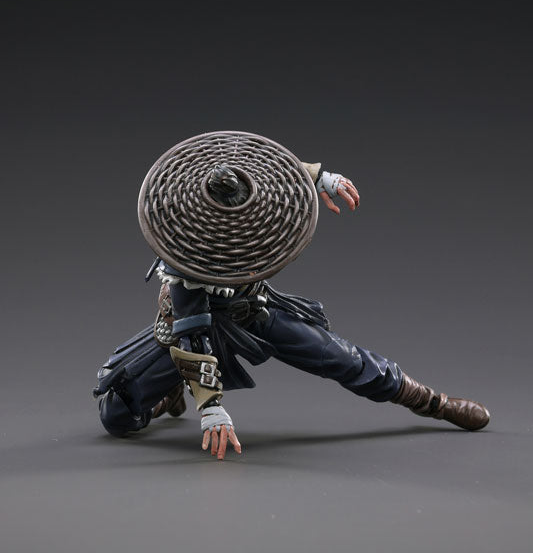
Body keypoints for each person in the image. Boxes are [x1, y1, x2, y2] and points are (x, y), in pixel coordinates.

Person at [94, 132, 489, 460]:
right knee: (116, 416)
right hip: (191, 327)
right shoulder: (185, 248)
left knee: (342, 358)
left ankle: (432, 402)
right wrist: (211, 406)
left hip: (253, 310)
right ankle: (166, 397)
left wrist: (319, 178)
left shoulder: (249, 190)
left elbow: (275, 171)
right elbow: (192, 333)